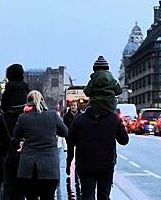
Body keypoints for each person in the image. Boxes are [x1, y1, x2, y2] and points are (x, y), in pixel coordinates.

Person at [67, 56, 129, 200]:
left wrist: (69, 160)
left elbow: (70, 140)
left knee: (87, 195)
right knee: (103, 195)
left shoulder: (79, 119)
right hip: (106, 163)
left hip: (85, 162)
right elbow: (124, 140)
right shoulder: (113, 119)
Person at [13, 90, 68, 200]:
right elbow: (65, 132)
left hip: (28, 168)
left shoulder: (23, 118)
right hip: (49, 167)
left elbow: (16, 135)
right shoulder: (53, 115)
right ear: (42, 101)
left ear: (28, 102)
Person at [0, 63, 30, 200]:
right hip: (24, 136)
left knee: (9, 177)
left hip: (10, 129)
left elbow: (3, 107)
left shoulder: (8, 89)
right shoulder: (26, 89)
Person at [63, 100, 80, 168]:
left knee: (79, 155)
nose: (73, 107)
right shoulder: (66, 116)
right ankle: (68, 166)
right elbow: (64, 127)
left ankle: (78, 169)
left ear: (77, 106)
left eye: (74, 105)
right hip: (70, 138)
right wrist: (66, 136)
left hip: (79, 138)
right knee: (70, 154)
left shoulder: (80, 115)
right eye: (72, 105)